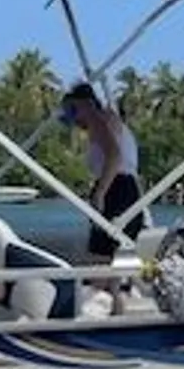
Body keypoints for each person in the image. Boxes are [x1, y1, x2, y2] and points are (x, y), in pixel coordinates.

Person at [58, 82, 144, 259]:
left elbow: (114, 156)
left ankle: (100, 286)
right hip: (128, 188)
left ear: (86, 105)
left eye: (73, 112)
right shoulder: (111, 120)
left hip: (115, 188)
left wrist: (99, 193)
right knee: (118, 254)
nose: (73, 120)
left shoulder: (97, 119)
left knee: (102, 255)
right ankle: (111, 286)